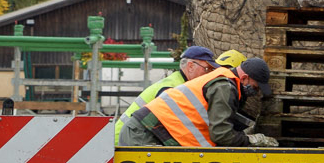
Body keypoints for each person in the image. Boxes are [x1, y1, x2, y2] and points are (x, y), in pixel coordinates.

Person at [116, 57, 272, 147]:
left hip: (150, 131)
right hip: (145, 134)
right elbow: (221, 135)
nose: (255, 92)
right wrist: (251, 140)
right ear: (244, 78)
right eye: (255, 87)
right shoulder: (224, 87)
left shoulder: (222, 80)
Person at [114, 47, 244, 140]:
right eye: (207, 69)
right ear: (191, 66)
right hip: (126, 140)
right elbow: (170, 125)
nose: (209, 74)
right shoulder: (174, 87)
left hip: (128, 137)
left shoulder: (178, 82)